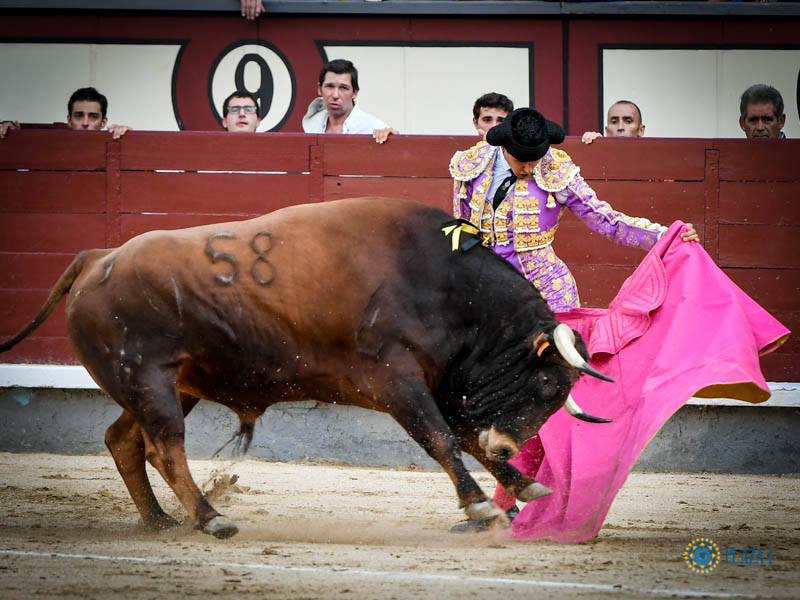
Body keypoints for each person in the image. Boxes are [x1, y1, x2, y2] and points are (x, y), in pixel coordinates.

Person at [448, 107, 698, 532]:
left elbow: (606, 220)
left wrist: (663, 235)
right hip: (487, 302)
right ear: (502, 146)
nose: (530, 167)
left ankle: (502, 506)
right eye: (521, 159)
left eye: (535, 158)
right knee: (486, 403)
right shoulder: (470, 166)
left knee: (542, 409)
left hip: (547, 302)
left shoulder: (556, 171)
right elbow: (459, 229)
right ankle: (508, 499)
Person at [301, 59, 398, 144]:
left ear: (355, 93)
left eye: (343, 88)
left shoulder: (374, 127)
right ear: (319, 89)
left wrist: (392, 139)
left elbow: (399, 151)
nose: (335, 95)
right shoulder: (313, 122)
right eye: (330, 86)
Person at [1, 86, 131, 140]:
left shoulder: (114, 149)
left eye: (93, 117)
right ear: (69, 120)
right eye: (79, 115)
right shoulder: (49, 149)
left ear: (104, 122)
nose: (85, 123)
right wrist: (14, 138)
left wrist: (130, 139)